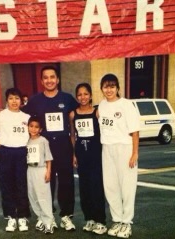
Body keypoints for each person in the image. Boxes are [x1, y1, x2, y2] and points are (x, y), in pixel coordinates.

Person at [23, 65, 78, 231]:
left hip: (63, 146)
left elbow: (82, 113)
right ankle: (48, 215)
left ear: (58, 79)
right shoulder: (35, 101)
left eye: (52, 77)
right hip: (43, 148)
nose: (49, 80)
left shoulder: (67, 99)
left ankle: (66, 216)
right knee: (46, 182)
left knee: (66, 182)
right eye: (45, 78)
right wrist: (0, 111)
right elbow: (20, 116)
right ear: (41, 81)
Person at [0, 88, 31, 233]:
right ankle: (10, 216)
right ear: (6, 100)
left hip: (22, 152)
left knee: (21, 184)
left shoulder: (26, 117)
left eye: (17, 98)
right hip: (5, 152)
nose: (14, 101)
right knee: (6, 185)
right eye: (11, 98)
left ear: (21, 100)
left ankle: (22, 216)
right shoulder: (0, 115)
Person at [98, 74, 140, 238]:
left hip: (125, 148)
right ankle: (117, 220)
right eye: (106, 86)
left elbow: (135, 131)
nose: (109, 90)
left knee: (127, 187)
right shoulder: (101, 106)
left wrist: (135, 153)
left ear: (118, 88)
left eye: (112, 86)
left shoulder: (127, 105)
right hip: (107, 148)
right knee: (110, 186)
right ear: (102, 88)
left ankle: (127, 222)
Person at [69, 83, 107, 235]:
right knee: (84, 187)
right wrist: (74, 154)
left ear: (91, 96)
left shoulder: (97, 113)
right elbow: (73, 135)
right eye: (79, 94)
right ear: (76, 96)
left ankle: (101, 221)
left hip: (95, 153)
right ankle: (89, 218)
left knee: (96, 186)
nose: (82, 97)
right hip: (81, 153)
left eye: (85, 94)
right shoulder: (73, 114)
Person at [26, 116, 57, 234]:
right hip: (30, 170)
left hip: (41, 170)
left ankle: (49, 221)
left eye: (36, 127)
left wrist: (48, 171)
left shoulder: (43, 140)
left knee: (43, 196)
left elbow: (48, 158)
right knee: (32, 195)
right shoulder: (26, 140)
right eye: (31, 126)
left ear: (41, 129)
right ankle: (40, 217)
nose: (33, 129)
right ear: (28, 127)